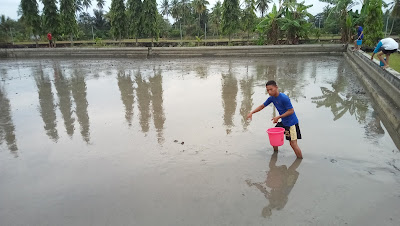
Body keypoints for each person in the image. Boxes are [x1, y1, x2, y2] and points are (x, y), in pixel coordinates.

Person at [247, 80, 303, 159]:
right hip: (284, 122)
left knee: (293, 144)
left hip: (291, 123)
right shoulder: (272, 98)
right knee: (274, 137)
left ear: (276, 87)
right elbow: (262, 106)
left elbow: (291, 111)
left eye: (271, 89)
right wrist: (252, 112)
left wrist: (278, 117)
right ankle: (275, 154)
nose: (269, 92)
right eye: (267, 90)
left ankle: (300, 160)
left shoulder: (284, 98)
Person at [246, 151, 302, 218]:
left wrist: (254, 184)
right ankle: (299, 159)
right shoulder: (276, 202)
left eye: (265, 209)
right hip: (286, 183)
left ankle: (298, 158)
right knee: (291, 169)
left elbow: (263, 190)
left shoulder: (272, 200)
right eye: (266, 209)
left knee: (288, 169)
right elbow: (264, 191)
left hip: (284, 183)